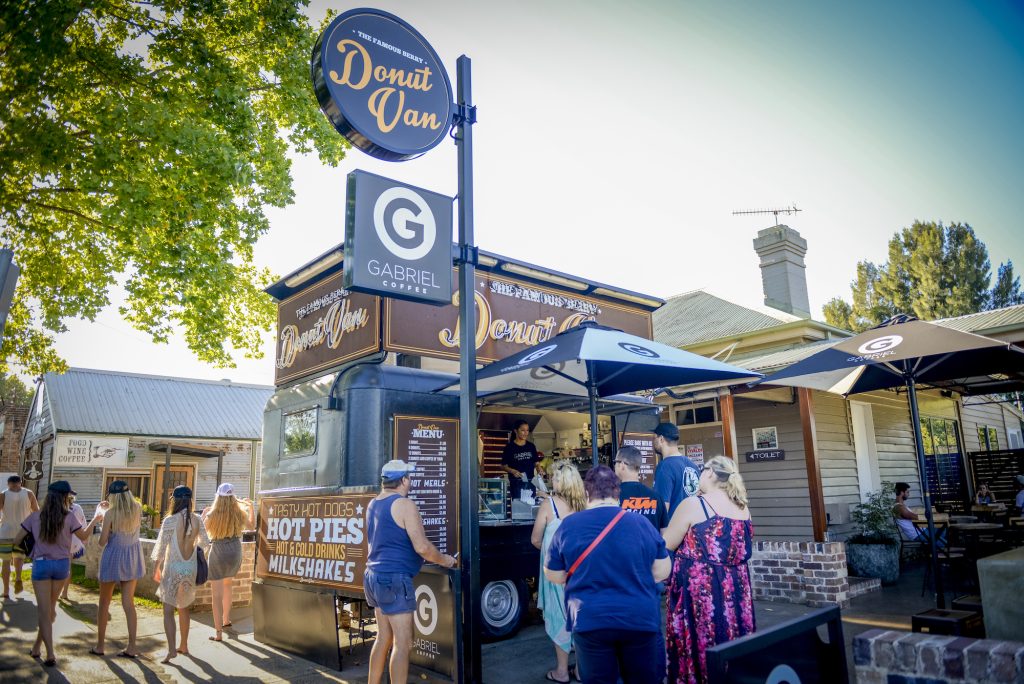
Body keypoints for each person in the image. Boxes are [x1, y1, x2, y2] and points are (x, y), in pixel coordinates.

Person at [545, 465, 671, 684]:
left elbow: (552, 573)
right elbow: (662, 571)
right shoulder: (640, 523)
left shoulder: (568, 526)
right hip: (638, 618)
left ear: (586, 493)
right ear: (617, 492)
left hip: (589, 619)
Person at [663, 456, 755, 684]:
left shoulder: (695, 504)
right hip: (737, 593)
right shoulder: (743, 509)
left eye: (702, 470)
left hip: (702, 597)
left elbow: (666, 543)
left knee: (702, 646)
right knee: (732, 644)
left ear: (712, 473)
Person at [365, 460, 458, 684]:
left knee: (383, 637)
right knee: (403, 643)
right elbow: (423, 547)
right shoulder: (405, 505)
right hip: (394, 579)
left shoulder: (373, 503)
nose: (411, 481)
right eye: (409, 477)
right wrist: (447, 560)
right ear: (404, 480)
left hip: (373, 576)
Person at [13, 481, 104, 667]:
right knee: (50, 611)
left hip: (41, 565)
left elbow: (17, 539)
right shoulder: (69, 517)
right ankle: (37, 647)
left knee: (44, 612)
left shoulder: (35, 517)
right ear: (64, 497)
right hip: (62, 566)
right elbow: (85, 537)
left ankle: (50, 653)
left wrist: (32, 549)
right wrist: (95, 518)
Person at [530, 461, 587, 684]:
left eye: (554, 477)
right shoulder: (585, 504)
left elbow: (535, 538)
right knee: (579, 617)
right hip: (580, 570)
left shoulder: (549, 504)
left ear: (560, 481)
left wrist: (548, 548)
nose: (551, 481)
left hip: (555, 571)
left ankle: (562, 672)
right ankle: (582, 670)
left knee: (558, 617)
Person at [151, 485, 210, 663]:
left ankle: (171, 650)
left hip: (173, 568)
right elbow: (206, 544)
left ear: (174, 501)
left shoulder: (170, 521)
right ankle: (184, 645)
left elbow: (160, 549)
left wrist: (156, 568)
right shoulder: (198, 519)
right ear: (190, 501)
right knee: (184, 608)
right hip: (189, 568)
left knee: (168, 611)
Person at [93, 480, 146, 657]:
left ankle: (100, 646)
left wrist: (100, 514)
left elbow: (102, 542)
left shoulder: (110, 514)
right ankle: (132, 646)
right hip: (132, 556)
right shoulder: (137, 508)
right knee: (128, 603)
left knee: (104, 602)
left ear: (112, 496)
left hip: (113, 557)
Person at [202, 482, 256, 641]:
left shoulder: (212, 514)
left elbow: (203, 535)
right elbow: (252, 527)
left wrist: (204, 516)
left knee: (216, 594)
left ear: (218, 497)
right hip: (234, 550)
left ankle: (218, 633)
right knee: (228, 585)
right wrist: (251, 508)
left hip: (218, 551)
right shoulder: (239, 513)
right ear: (233, 497)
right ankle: (226, 619)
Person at [652, 423, 701, 521]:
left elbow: (662, 509)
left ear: (661, 439)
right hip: (693, 529)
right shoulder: (693, 465)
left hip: (673, 531)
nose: (653, 442)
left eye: (654, 438)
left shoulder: (665, 467)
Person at [1, 474, 38, 600]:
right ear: (20, 483)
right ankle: (18, 577)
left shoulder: (3, 494)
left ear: (8, 484)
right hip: (22, 532)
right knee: (19, 557)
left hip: (6, 532)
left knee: (5, 561)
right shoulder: (29, 493)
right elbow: (36, 512)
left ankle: (6, 590)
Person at [615, 446, 668, 532]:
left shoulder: (612, 497)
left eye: (615, 462)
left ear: (622, 465)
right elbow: (664, 535)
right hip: (652, 545)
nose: (614, 465)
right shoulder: (656, 497)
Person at [892, 482, 945, 547]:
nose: (909, 494)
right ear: (902, 492)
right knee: (944, 544)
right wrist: (932, 516)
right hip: (917, 534)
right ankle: (936, 547)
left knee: (943, 527)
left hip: (921, 530)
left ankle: (934, 546)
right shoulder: (899, 508)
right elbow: (915, 517)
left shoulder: (902, 506)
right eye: (907, 492)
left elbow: (914, 515)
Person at [500, 420, 540, 502]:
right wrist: (512, 471)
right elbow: (503, 466)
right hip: (516, 484)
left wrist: (539, 469)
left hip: (530, 483)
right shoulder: (509, 447)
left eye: (527, 430)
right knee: (519, 509)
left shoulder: (531, 446)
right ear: (515, 431)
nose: (525, 433)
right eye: (523, 430)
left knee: (530, 506)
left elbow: (536, 462)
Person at [58, 493, 87, 601]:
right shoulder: (78, 508)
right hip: (72, 541)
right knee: (67, 567)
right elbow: (83, 525)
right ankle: (64, 592)